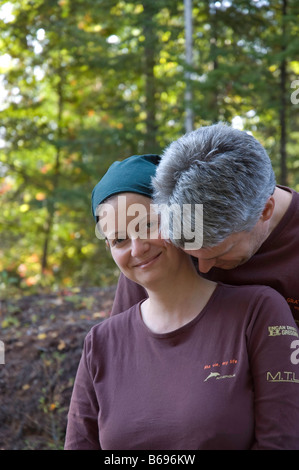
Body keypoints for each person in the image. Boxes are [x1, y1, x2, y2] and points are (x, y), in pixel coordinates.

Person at [65, 154, 299, 450]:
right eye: (119, 240)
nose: (137, 248)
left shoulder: (259, 311)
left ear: (181, 219)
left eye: (149, 224)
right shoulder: (100, 342)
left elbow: (281, 440)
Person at [110, 124, 299, 326]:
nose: (204, 267)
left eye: (217, 253)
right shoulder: (162, 241)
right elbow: (120, 345)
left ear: (265, 211)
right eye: (191, 254)